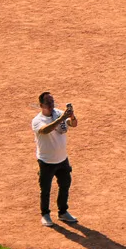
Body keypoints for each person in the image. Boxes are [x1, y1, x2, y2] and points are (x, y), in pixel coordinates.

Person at [32, 92, 78, 228]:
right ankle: (45, 215)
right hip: (46, 161)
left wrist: (72, 116)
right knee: (45, 189)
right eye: (48, 103)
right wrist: (61, 118)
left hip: (62, 159)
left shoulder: (58, 113)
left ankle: (63, 212)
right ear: (41, 105)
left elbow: (72, 124)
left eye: (52, 102)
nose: (52, 105)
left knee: (65, 185)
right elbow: (46, 130)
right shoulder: (37, 121)